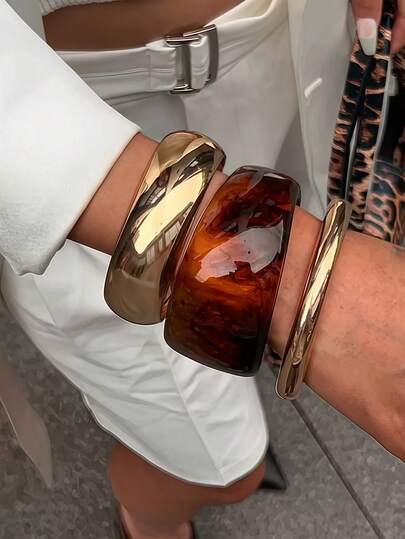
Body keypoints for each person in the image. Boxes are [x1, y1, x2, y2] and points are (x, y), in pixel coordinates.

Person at [0, 1, 404, 538]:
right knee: (222, 470)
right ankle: (151, 518)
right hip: (82, 142)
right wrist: (304, 280)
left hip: (294, 51)